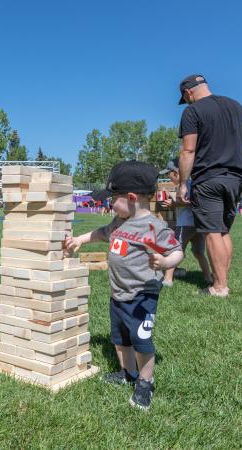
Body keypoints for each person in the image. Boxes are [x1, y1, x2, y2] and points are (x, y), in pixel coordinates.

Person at [64, 161, 183, 411]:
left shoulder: (154, 227)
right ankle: (127, 372)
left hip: (141, 296)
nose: (108, 204)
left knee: (141, 341)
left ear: (131, 197)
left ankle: (145, 381)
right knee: (120, 340)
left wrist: (164, 261)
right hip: (118, 294)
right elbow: (101, 233)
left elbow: (177, 251)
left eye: (111, 198)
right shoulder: (119, 221)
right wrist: (80, 240)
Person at [177, 74, 242, 297]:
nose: (187, 102)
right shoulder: (237, 107)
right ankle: (222, 279)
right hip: (235, 177)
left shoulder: (192, 111)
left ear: (188, 92)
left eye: (186, 98)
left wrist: (183, 184)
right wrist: (237, 168)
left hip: (208, 178)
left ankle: (219, 287)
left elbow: (188, 150)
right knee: (224, 231)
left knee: (211, 232)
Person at [158, 159, 212, 287]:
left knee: (175, 250)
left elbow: (189, 201)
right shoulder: (192, 183)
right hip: (197, 223)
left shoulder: (186, 184)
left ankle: (167, 279)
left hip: (186, 224)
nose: (168, 177)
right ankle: (208, 277)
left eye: (169, 174)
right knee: (198, 252)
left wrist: (173, 203)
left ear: (176, 172)